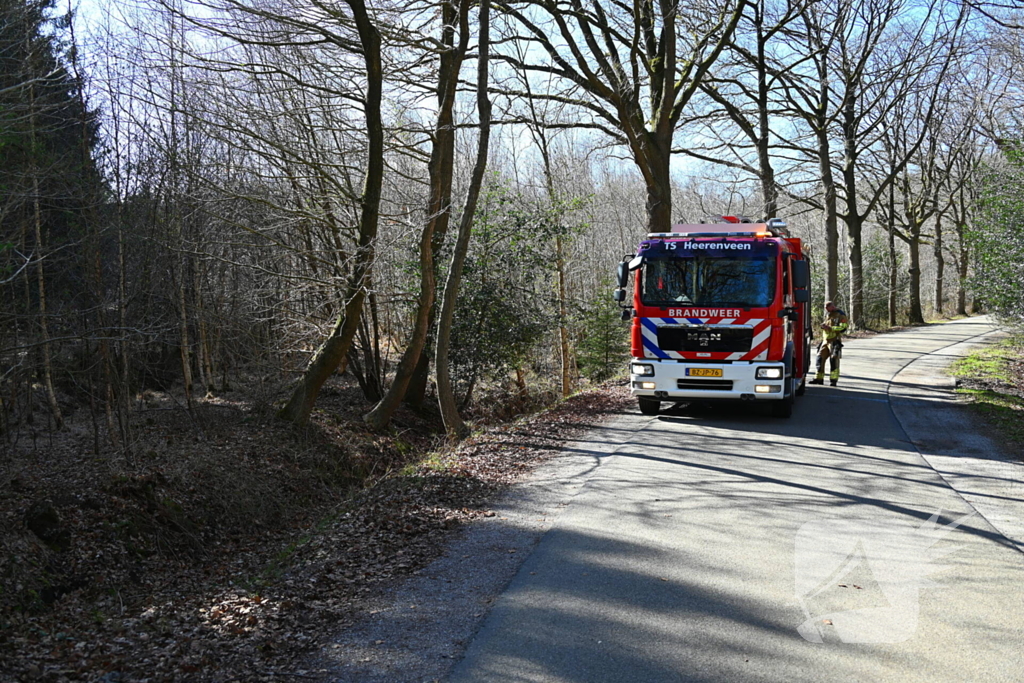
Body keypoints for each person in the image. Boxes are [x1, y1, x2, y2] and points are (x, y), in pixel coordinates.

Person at [809, 301, 848, 386]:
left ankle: (833, 380)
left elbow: (843, 327)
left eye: (827, 308)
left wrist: (830, 328)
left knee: (834, 360)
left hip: (834, 340)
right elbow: (827, 323)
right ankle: (818, 378)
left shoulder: (840, 314)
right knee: (819, 359)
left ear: (832, 306)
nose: (826, 310)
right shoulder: (828, 314)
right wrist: (823, 326)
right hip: (825, 340)